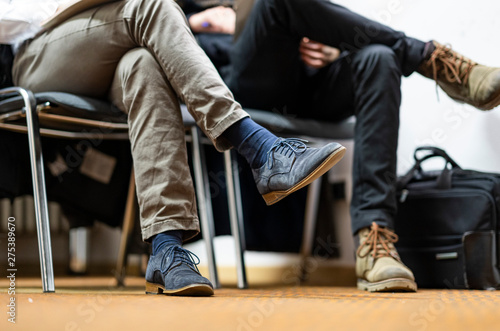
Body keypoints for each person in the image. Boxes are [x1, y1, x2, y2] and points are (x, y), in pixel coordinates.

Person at [0, 0, 346, 296]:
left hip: (107, 43)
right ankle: (258, 148)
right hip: (37, 51)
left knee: (146, 67)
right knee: (154, 5)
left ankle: (166, 249)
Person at [177, 0, 500, 292]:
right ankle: (436, 60)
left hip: (308, 83)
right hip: (237, 89)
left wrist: (330, 47)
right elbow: (143, 27)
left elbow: (324, 17)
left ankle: (374, 241)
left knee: (378, 56)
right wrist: (196, 20)